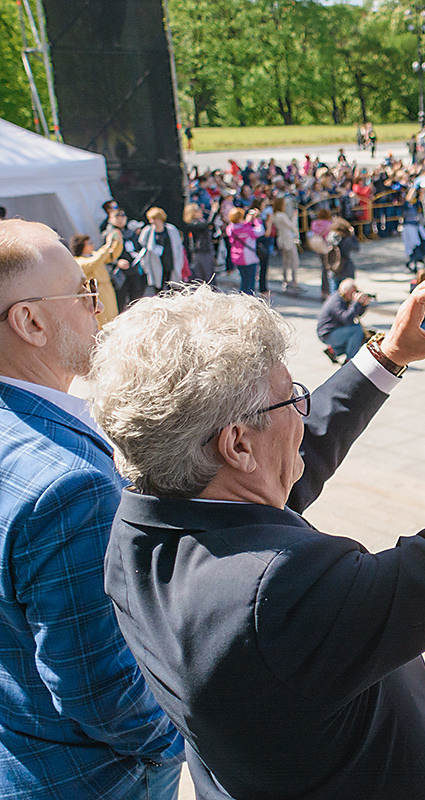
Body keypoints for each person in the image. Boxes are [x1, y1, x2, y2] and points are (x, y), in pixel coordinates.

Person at [91, 280, 425, 800]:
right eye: (294, 399)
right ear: (237, 444)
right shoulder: (274, 593)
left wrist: (387, 356)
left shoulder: (146, 521)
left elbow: (286, 461)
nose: (304, 411)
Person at [0, 220, 184, 798]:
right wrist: (186, 741)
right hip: (95, 778)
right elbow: (104, 690)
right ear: (29, 322)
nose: (99, 305)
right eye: (81, 293)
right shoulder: (69, 486)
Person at [70, 229, 123, 326]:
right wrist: (108, 244)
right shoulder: (79, 261)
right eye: (89, 243)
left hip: (106, 287)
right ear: (82, 247)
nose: (92, 245)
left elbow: (110, 256)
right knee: (103, 318)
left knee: (113, 315)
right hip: (96, 291)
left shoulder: (94, 255)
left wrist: (117, 243)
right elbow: (95, 261)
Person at [317, 278, 371, 363]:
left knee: (358, 339)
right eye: (353, 292)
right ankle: (349, 360)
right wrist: (356, 303)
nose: (354, 295)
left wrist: (363, 305)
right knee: (357, 330)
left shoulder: (344, 298)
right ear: (346, 291)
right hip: (328, 333)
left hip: (336, 329)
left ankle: (333, 351)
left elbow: (355, 314)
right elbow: (347, 319)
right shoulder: (336, 300)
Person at [137, 207, 186, 294]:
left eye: (154, 219)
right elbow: (142, 245)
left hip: (170, 262)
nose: (152, 221)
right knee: (158, 289)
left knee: (172, 288)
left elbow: (178, 246)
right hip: (155, 264)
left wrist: (180, 263)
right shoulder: (148, 231)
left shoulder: (171, 229)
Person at [225, 207, 264, 295]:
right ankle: (248, 300)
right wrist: (257, 220)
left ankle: (242, 298)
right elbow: (260, 231)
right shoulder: (247, 230)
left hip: (237, 256)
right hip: (248, 257)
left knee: (244, 280)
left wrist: (247, 221)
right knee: (250, 282)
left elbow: (239, 227)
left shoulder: (230, 228)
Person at [181, 202, 218, 285]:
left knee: (210, 275)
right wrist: (214, 212)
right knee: (205, 277)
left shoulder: (201, 221)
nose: (201, 211)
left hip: (207, 251)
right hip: (201, 252)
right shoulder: (192, 224)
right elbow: (207, 225)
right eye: (198, 210)